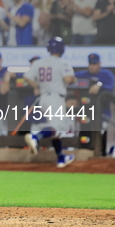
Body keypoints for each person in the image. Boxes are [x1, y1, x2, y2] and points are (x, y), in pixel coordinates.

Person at [24, 37, 77, 168]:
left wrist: (36, 86)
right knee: (57, 128)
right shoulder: (62, 63)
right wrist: (74, 79)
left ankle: (61, 158)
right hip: (55, 99)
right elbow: (68, 79)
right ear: (62, 49)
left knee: (56, 131)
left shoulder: (39, 62)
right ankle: (35, 137)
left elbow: (27, 77)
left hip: (43, 99)